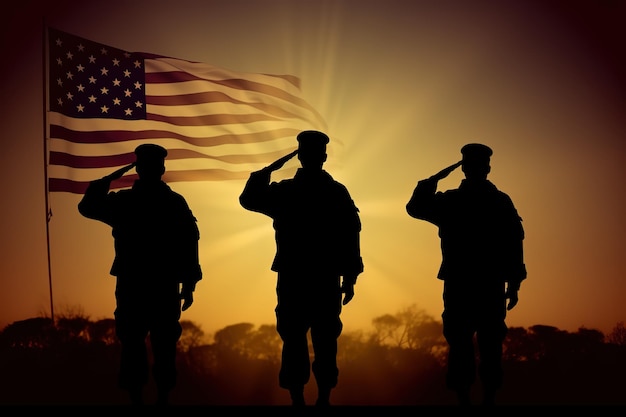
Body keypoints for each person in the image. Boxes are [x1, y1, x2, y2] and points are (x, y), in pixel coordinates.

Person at [239, 130, 364, 406]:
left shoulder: (312, 191)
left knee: (320, 338)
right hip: (305, 276)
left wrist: (350, 275)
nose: (312, 158)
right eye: (309, 153)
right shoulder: (298, 191)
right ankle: (304, 398)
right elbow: (249, 200)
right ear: (306, 156)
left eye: (313, 154)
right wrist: (265, 173)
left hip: (312, 276)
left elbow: (350, 233)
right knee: (301, 338)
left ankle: (319, 397)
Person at [78, 143, 202, 405]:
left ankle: (151, 396)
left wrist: (106, 181)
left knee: (146, 343)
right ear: (160, 169)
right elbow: (190, 241)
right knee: (154, 343)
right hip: (157, 284)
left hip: (139, 283)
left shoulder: (126, 201)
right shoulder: (171, 202)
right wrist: (189, 283)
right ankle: (155, 396)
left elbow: (88, 206)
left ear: (139, 169)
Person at [405, 143, 526, 406]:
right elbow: (515, 243)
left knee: (474, 342)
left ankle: (473, 397)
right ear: (484, 168)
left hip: (467, 282)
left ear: (467, 168)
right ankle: (477, 397)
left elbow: (514, 242)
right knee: (478, 343)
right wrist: (514, 282)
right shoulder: (494, 201)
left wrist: (432, 181)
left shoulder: (454, 201)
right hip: (483, 283)